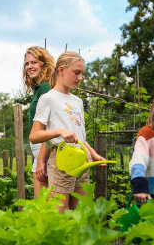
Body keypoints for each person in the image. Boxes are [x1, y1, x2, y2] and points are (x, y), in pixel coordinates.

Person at [29, 51, 107, 213]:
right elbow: (34, 135)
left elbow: (78, 136)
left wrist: (93, 154)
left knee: (81, 213)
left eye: (81, 74)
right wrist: (58, 131)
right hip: (61, 158)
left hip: (81, 157)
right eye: (76, 73)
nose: (80, 78)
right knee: (59, 214)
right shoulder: (48, 98)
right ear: (62, 70)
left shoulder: (77, 101)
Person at [23, 46, 55, 199]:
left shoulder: (46, 88)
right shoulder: (39, 88)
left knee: (43, 205)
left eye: (33, 62)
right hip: (41, 151)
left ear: (43, 64)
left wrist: (41, 159)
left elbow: (50, 126)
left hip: (45, 150)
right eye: (27, 63)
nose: (29, 67)